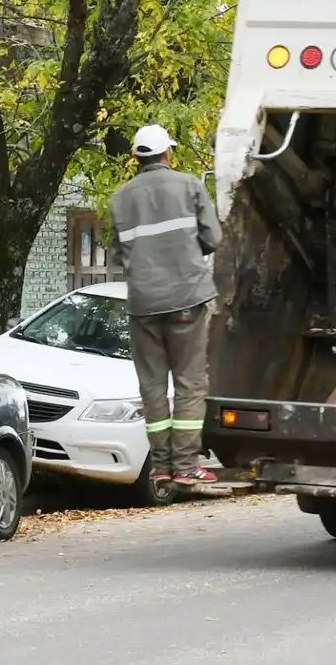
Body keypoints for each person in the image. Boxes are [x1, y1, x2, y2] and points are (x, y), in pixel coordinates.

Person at [109, 124, 224, 487]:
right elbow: (214, 238)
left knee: (153, 386)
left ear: (137, 157)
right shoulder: (189, 185)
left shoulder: (120, 198)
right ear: (167, 153)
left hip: (143, 305)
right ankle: (186, 465)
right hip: (186, 297)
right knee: (190, 382)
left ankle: (160, 466)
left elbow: (117, 254)